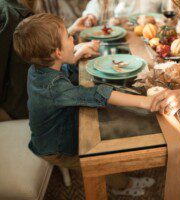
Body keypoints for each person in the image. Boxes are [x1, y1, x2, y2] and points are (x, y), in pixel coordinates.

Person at [13, 13, 156, 196]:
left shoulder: (36, 69)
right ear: (57, 53)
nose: (73, 38)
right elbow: (95, 94)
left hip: (51, 133)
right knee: (101, 161)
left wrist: (77, 53)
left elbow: (62, 68)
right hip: (58, 148)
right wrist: (144, 102)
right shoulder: (54, 88)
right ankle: (123, 185)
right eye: (68, 36)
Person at [0, 0, 90, 121]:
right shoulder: (8, 14)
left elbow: (41, 50)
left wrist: (68, 33)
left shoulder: (21, 11)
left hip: (35, 100)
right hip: (23, 109)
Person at [82, 0, 162, 27]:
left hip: (152, 33)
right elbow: (97, 3)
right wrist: (91, 16)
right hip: (123, 36)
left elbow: (168, 7)